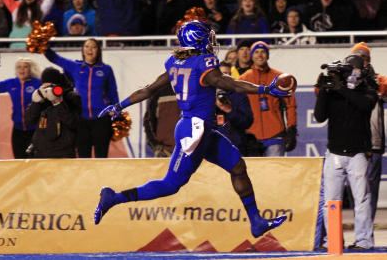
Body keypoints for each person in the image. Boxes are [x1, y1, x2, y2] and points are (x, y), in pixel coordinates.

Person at [93, 20, 289, 240]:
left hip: (202, 129)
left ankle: (256, 221)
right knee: (171, 184)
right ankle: (114, 198)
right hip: (193, 130)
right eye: (207, 36)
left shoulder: (175, 61)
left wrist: (120, 105)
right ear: (198, 39)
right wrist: (264, 89)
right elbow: (228, 83)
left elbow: (149, 89)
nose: (211, 41)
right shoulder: (204, 62)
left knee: (237, 166)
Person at [314, 54, 377, 250]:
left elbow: (365, 104)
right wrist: (324, 90)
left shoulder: (367, 89)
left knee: (362, 200)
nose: (351, 73)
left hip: (358, 153)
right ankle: (332, 240)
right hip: (334, 153)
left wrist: (340, 88)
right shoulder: (333, 92)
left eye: (353, 69)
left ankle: (364, 241)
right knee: (331, 200)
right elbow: (319, 116)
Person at [42, 38, 119, 158]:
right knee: (83, 157)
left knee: (102, 157)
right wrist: (44, 45)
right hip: (80, 119)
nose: (90, 49)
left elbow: (113, 91)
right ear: (82, 50)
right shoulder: (75, 66)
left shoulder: (106, 69)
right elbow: (55, 58)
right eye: (87, 46)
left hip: (102, 119)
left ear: (98, 50)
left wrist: (117, 113)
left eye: (93, 47)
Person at [239, 41, 297, 156]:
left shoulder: (281, 78)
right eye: (256, 52)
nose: (260, 55)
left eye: (263, 52)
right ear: (252, 56)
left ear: (268, 55)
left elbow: (291, 105)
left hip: (275, 136)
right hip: (251, 137)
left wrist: (292, 129)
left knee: (275, 172)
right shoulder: (243, 79)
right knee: (253, 173)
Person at [350, 42, 387, 222]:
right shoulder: (346, 80)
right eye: (357, 56)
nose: (360, 60)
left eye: (363, 56)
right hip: (350, 142)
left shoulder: (379, 81)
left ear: (369, 60)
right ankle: (360, 230)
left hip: (373, 141)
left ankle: (365, 232)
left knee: (370, 190)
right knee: (353, 188)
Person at [0, 57, 41, 158]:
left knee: (35, 160)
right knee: (19, 161)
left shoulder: (38, 83)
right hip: (17, 130)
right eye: (19, 67)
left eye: (25, 67)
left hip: (35, 130)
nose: (22, 70)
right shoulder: (11, 83)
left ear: (30, 69)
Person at [25, 67, 82, 158]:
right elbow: (28, 121)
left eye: (50, 86)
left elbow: (73, 123)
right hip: (41, 153)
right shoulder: (42, 98)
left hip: (63, 154)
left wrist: (59, 103)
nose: (48, 90)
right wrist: (36, 104)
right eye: (45, 87)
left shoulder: (71, 97)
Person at [216, 61, 260, 156]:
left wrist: (229, 110)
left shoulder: (239, 95)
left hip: (237, 147)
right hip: (214, 148)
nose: (225, 77)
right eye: (222, 74)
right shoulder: (206, 95)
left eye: (228, 74)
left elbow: (247, 122)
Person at [143, 84, 180, 157]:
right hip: (165, 153)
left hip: (192, 152)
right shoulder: (160, 91)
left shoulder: (197, 90)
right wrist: (155, 145)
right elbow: (148, 121)